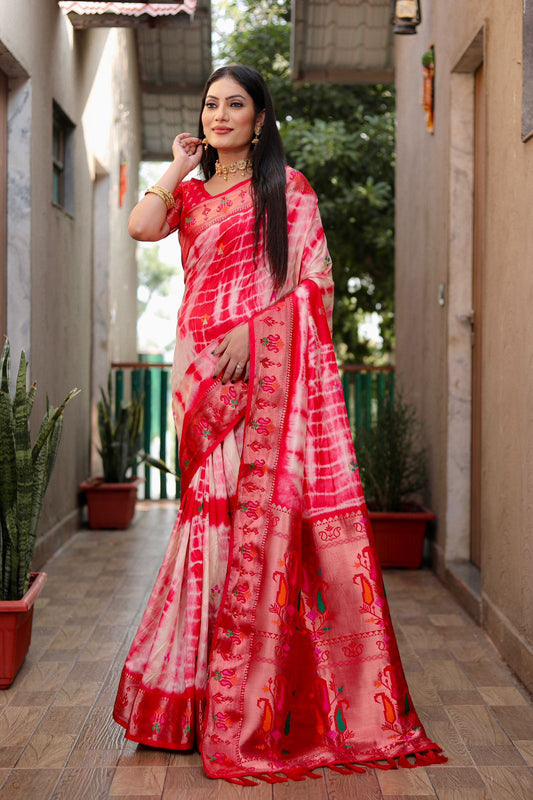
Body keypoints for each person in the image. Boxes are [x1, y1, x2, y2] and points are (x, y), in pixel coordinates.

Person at [113, 65, 445, 786]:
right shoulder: (192, 193)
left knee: (244, 531)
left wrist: (258, 332)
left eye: (235, 105)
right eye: (210, 104)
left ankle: (240, 702)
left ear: (261, 118)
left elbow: (314, 284)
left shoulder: (286, 191)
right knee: (206, 523)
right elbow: (141, 226)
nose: (220, 114)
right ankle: (197, 700)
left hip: (259, 377)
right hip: (200, 376)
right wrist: (175, 164)